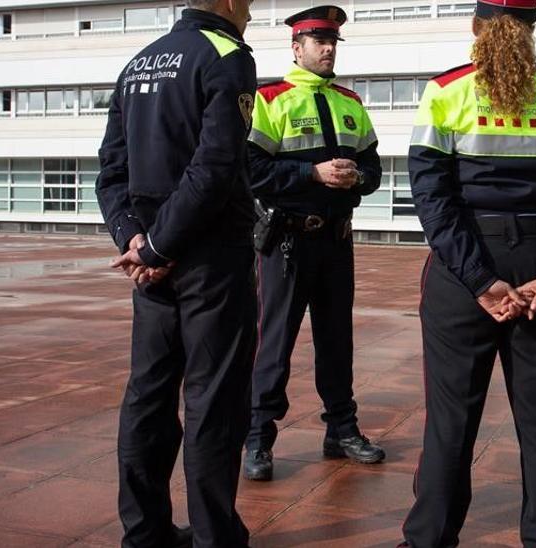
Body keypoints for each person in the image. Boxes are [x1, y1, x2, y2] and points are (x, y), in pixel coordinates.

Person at [398, 0, 536, 544]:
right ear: (532, 30)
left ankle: (429, 539)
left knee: (450, 420)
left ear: (476, 27)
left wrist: (478, 280)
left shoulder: (445, 92)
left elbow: (432, 199)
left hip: (462, 270)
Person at [94, 0, 259, 544]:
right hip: (208, 259)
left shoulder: (139, 61)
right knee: (214, 401)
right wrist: (159, 246)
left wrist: (136, 240)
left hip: (150, 263)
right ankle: (215, 537)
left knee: (148, 395)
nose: (250, 11)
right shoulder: (227, 55)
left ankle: (145, 535)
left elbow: (111, 170)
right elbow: (215, 166)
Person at [242, 5, 385, 482]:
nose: (327, 50)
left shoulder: (351, 102)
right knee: (274, 343)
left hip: (336, 242)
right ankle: (258, 438)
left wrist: (356, 177)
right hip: (287, 242)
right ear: (296, 47)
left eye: (332, 42)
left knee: (337, 341)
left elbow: (374, 171)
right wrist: (312, 173)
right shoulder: (270, 99)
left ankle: (341, 430)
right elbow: (252, 171)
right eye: (319, 42)